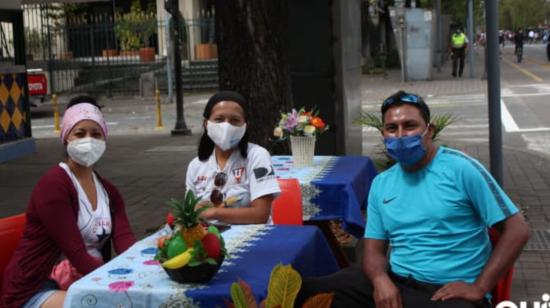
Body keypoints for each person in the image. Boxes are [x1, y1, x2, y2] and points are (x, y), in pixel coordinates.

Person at [296, 91, 530, 308]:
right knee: (306, 292)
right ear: (383, 134)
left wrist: (479, 288)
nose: (400, 135)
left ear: (430, 130)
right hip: (397, 282)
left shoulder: (460, 169)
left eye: (409, 126)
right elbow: (373, 251)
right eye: (391, 128)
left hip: (448, 292)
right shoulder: (381, 183)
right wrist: (380, 280)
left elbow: (517, 229)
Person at [1, 96, 136, 308]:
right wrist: (116, 285)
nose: (88, 140)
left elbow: (126, 243)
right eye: (80, 134)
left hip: (86, 283)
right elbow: (76, 254)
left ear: (104, 140)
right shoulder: (54, 185)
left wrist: (149, 263)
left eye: (96, 134)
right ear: (66, 138)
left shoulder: (109, 192)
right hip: (35, 288)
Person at [185, 91, 280, 224]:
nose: (226, 126)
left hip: (252, 238)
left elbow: (260, 214)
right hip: (209, 239)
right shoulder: (195, 166)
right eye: (219, 119)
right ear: (206, 124)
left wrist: (214, 212)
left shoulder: (258, 156)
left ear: (245, 126)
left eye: (235, 120)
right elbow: (190, 213)